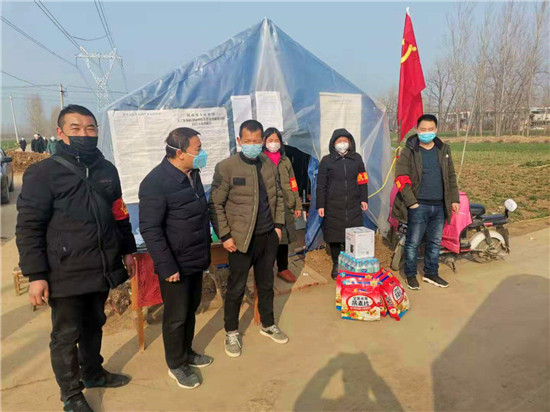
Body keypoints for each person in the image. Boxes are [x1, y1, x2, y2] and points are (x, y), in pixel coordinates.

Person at [16, 104, 136, 412]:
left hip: (101, 266)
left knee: (95, 323)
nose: (85, 133)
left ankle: (93, 372)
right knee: (66, 335)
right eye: (76, 128)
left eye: (90, 128)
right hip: (64, 270)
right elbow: (29, 226)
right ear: (60, 133)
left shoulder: (106, 169)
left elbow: (119, 213)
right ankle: (71, 394)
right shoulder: (43, 173)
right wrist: (36, 275)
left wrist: (127, 250)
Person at [139, 127, 213, 389]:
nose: (202, 153)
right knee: (176, 316)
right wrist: (167, 265)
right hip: (175, 263)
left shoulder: (192, 174)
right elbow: (150, 229)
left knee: (191, 309)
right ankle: (176, 364)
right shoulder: (155, 182)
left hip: (195, 257)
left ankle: (187, 351)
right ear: (180, 153)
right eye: (198, 149)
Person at [209, 119, 288, 358]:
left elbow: (278, 197)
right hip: (240, 241)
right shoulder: (227, 167)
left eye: (256, 141)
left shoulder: (268, 165)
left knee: (266, 284)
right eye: (247, 141)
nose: (252, 145)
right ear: (239, 141)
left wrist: (278, 226)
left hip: (267, 237)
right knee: (236, 287)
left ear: (262, 141)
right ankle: (231, 331)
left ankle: (268, 324)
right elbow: (215, 204)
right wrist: (225, 235)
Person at [392, 114, 460, 290]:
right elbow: (401, 178)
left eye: (430, 129)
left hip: (440, 205)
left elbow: (450, 176)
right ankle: (410, 274)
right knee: (413, 242)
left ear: (436, 130)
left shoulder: (443, 150)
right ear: (417, 130)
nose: (427, 132)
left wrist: (454, 199)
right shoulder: (409, 151)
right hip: (418, 205)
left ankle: (431, 273)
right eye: (423, 129)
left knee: (435, 242)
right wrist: (412, 203)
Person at [316, 128, 369, 279]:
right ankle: (337, 264)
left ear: (350, 143)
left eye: (345, 141)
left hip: (353, 204)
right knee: (335, 236)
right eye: (339, 141)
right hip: (333, 204)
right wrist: (321, 205)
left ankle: (350, 263)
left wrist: (364, 199)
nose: (342, 144)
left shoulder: (356, 159)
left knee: (351, 235)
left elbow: (363, 181)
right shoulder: (326, 161)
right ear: (333, 144)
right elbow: (321, 185)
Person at [263, 127, 303, 283]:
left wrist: (297, 204)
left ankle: (283, 268)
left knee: (284, 238)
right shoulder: (260, 160)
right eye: (270, 140)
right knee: (267, 239)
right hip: (267, 206)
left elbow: (293, 183)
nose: (273, 143)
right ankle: (265, 270)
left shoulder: (285, 161)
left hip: (286, 204)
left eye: (276, 140)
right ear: (264, 142)